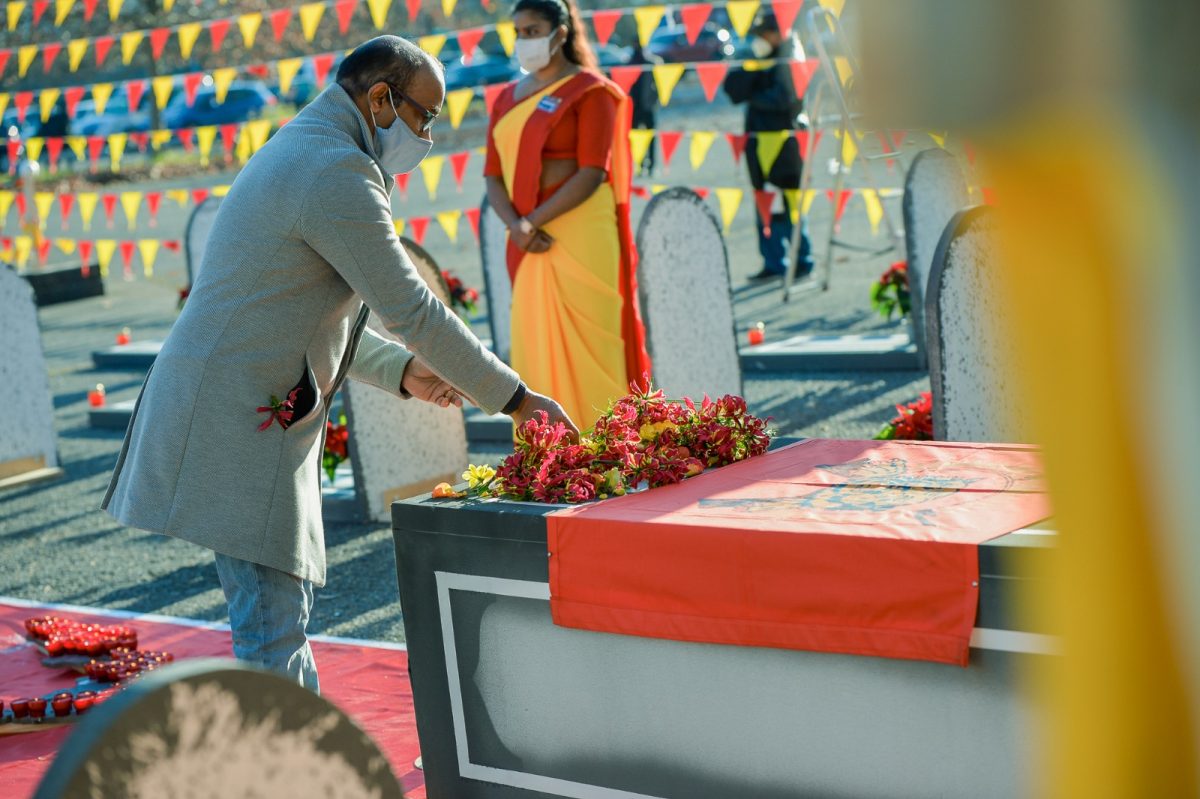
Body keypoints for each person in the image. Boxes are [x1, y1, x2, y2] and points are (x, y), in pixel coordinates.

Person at [101, 36, 576, 693]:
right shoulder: (334, 169)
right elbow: (412, 309)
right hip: (235, 413)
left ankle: (289, 746)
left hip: (240, 399)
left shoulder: (313, 144)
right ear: (380, 99)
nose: (427, 137)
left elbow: (302, 310)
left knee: (275, 618)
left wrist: (402, 372)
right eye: (424, 117)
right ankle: (287, 751)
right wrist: (518, 400)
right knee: (272, 627)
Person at [483, 0, 652, 429]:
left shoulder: (590, 91)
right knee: (535, 346)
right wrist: (516, 226)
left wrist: (529, 222)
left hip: (578, 231)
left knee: (595, 344)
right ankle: (550, 456)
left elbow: (593, 172)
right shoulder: (505, 99)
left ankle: (610, 447)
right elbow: (493, 177)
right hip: (526, 241)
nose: (524, 40)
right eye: (519, 32)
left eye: (533, 31)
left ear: (560, 33)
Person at [723, 11, 815, 283]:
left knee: (788, 203)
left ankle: (801, 259)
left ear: (778, 34)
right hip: (758, 141)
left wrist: (754, 92)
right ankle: (773, 261)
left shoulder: (790, 56)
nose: (761, 39)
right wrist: (750, 65)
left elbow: (786, 98)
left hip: (784, 144)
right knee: (766, 203)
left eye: (764, 34)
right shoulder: (759, 56)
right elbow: (733, 88)